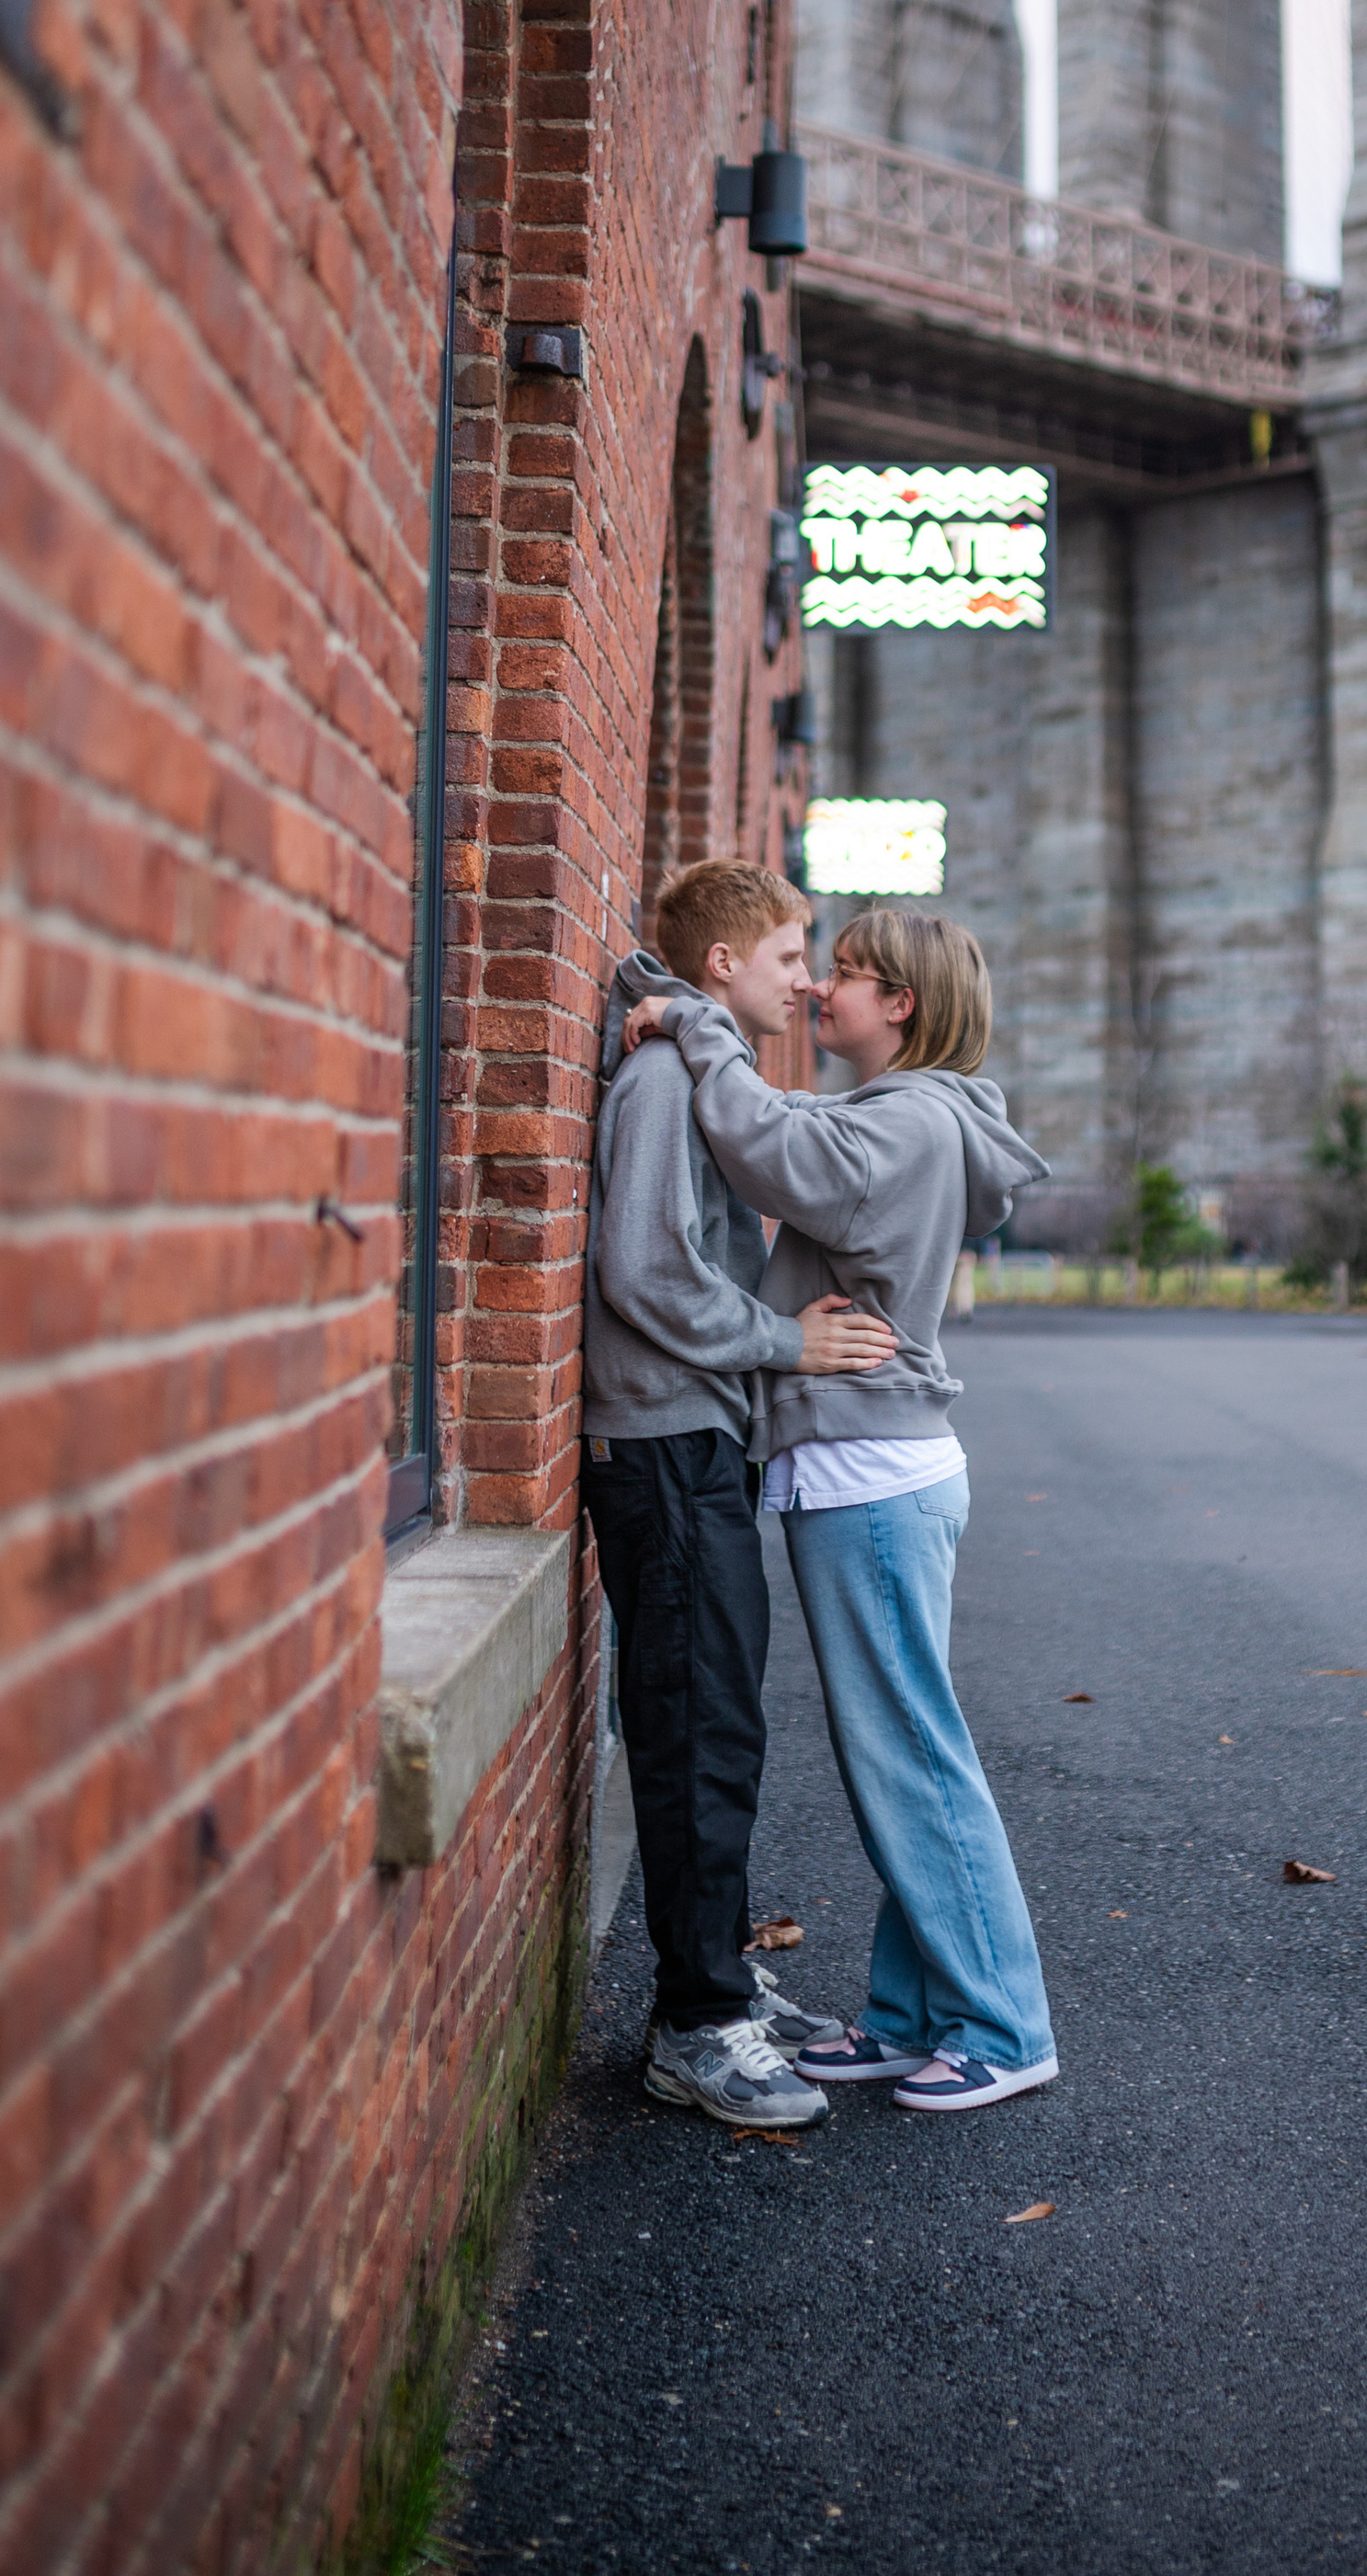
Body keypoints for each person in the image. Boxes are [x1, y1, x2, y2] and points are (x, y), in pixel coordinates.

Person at [620, 906, 1058, 2113]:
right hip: (871, 1468)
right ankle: (915, 2015)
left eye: (849, 979)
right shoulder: (905, 1114)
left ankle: (1003, 2025)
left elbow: (770, 1148)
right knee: (896, 1754)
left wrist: (701, 1025)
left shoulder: (910, 1120)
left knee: (910, 1752)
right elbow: (794, 1130)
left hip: (874, 1474)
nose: (823, 994)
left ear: (901, 1005)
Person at [583, 859, 894, 2129]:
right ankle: (695, 2026)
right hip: (661, 1451)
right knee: (698, 1727)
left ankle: (714, 1983)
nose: (808, 979)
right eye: (788, 957)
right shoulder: (664, 1079)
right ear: (722, 965)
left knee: (717, 1720)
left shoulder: (694, 1066)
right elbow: (645, 1274)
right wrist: (788, 1346)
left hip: (693, 1444)